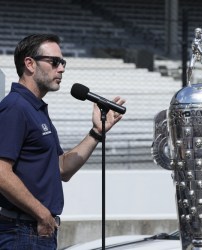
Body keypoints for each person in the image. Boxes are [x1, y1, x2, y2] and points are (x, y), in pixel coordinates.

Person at [0, 34, 125, 249]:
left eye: (63, 62)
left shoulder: (35, 108)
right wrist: (42, 214)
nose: (62, 69)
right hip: (23, 230)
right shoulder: (15, 107)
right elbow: (1, 172)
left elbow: (62, 169)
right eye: (54, 62)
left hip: (36, 230)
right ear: (29, 64)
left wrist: (96, 132)